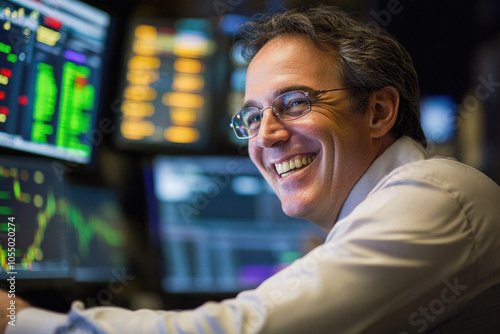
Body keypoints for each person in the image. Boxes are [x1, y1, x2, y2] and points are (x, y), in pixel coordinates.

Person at [2, 5, 500, 334]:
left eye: (295, 102)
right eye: (252, 116)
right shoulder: (389, 208)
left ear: (378, 112)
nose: (266, 135)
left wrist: (16, 319)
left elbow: (248, 329)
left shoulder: (438, 195)